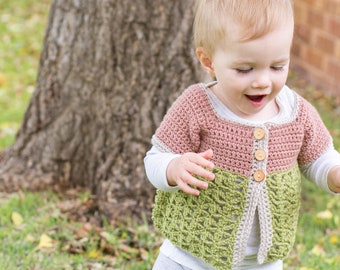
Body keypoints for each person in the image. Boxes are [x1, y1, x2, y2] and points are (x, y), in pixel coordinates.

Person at [144, 0, 340, 269]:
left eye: (277, 66)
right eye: (245, 69)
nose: (262, 81)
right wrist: (173, 167)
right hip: (188, 257)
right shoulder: (197, 106)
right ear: (209, 61)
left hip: (262, 263)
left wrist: (333, 172)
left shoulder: (296, 113)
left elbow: (319, 156)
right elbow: (155, 158)